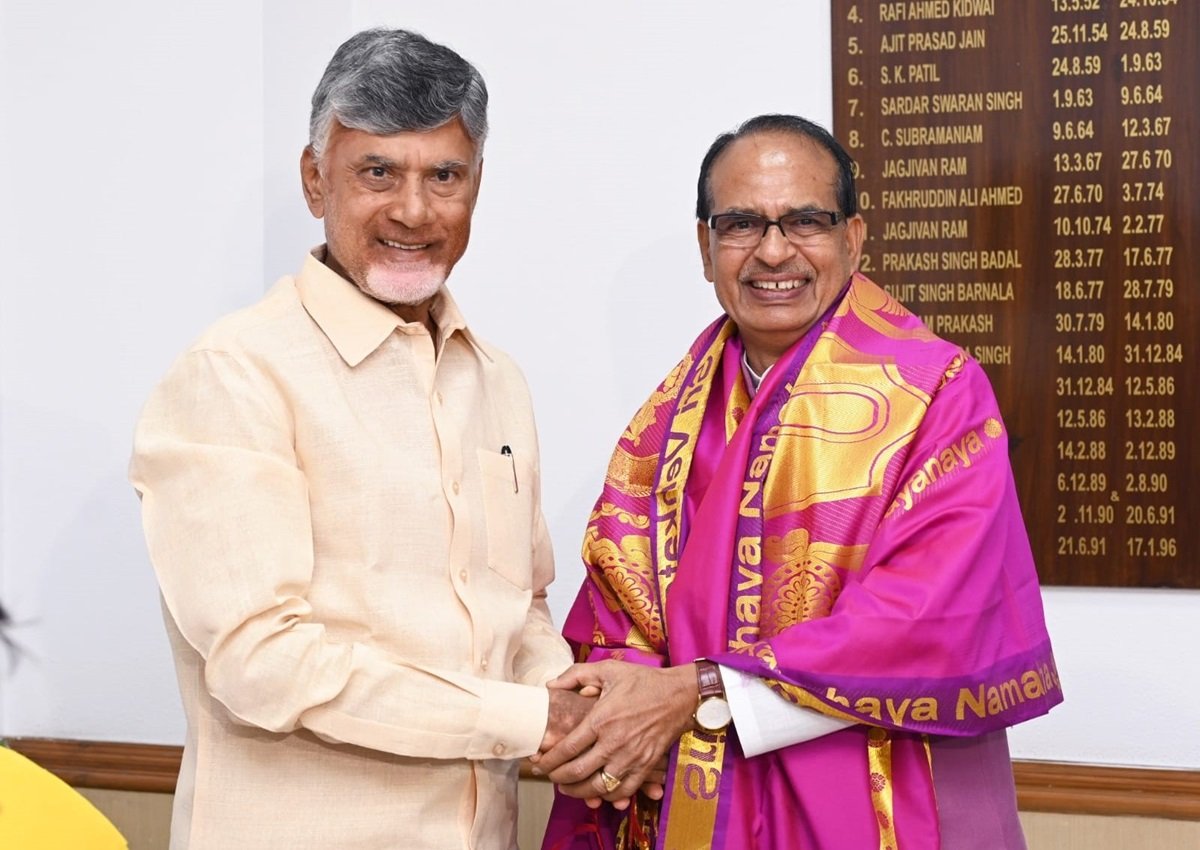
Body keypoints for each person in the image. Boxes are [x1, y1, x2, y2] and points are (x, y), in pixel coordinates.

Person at [535, 115, 1062, 849]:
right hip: (686, 788)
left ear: (853, 239)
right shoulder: (665, 423)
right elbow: (617, 606)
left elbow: (923, 623)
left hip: (882, 778)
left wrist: (696, 691)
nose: (773, 251)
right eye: (742, 223)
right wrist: (620, 710)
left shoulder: (934, 394)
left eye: (805, 221)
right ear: (705, 246)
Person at [129, 28, 590, 850]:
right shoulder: (236, 374)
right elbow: (262, 660)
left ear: (477, 185)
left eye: (443, 175)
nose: (413, 210)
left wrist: (576, 708)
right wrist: (528, 718)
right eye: (377, 172)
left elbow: (517, 608)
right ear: (316, 180)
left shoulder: (498, 380)